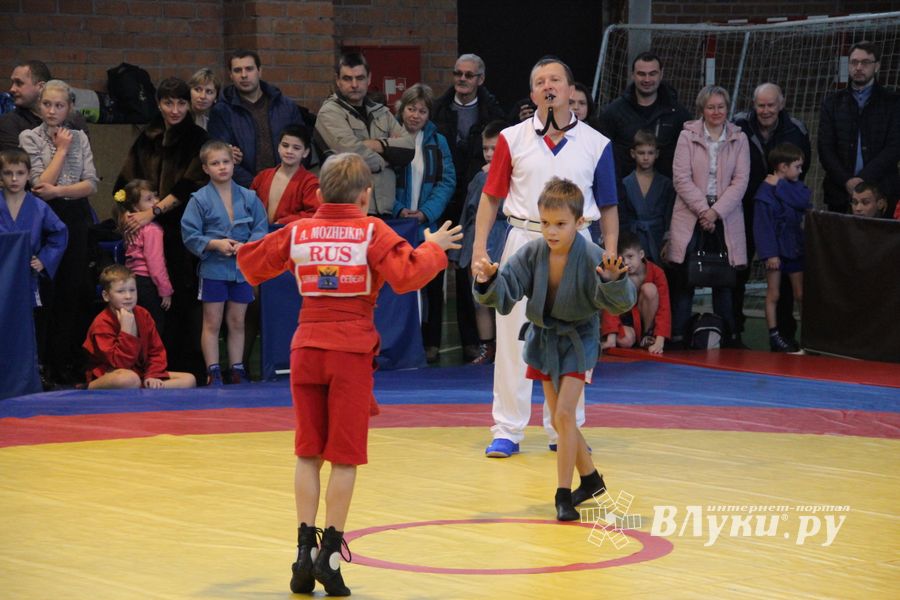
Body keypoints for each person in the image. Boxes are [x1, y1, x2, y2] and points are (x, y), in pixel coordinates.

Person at [235, 152, 462, 596]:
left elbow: (251, 265)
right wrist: (433, 245)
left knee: (307, 452)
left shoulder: (298, 231)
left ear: (318, 193)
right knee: (344, 456)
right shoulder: (371, 229)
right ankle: (330, 558)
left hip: (305, 348)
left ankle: (302, 554)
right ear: (366, 194)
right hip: (351, 351)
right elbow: (407, 275)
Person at [472, 56, 619, 458]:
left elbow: (608, 205)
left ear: (571, 90)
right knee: (511, 336)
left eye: (555, 79)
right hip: (524, 239)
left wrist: (608, 252)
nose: (548, 86)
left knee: (575, 335)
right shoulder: (511, 138)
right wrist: (480, 249)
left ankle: (564, 426)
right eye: (540, 82)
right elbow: (491, 198)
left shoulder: (596, 142)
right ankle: (507, 427)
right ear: (533, 93)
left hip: (578, 245)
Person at [473, 178, 634, 520]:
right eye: (545, 223)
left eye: (560, 224)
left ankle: (563, 494)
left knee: (563, 416)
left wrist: (612, 282)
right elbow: (508, 289)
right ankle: (591, 480)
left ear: (580, 223)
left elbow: (618, 305)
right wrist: (487, 280)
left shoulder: (592, 255)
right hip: (544, 340)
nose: (551, 231)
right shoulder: (532, 252)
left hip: (580, 340)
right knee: (563, 421)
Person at [115, 77, 209, 381]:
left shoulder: (197, 136)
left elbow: (190, 184)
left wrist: (153, 211)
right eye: (168, 102)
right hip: (145, 229)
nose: (175, 109)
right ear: (158, 104)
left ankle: (185, 366)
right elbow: (121, 185)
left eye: (181, 102)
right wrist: (129, 215)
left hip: (181, 229)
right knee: (150, 302)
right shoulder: (147, 136)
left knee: (182, 299)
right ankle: (149, 365)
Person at [19, 79, 98, 385]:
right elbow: (38, 186)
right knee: (47, 291)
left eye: (59, 105)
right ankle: (44, 363)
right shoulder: (30, 136)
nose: (52, 111)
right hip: (44, 218)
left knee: (73, 290)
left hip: (75, 216)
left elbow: (90, 183)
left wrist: (61, 190)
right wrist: (62, 150)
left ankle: (65, 361)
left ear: (70, 108)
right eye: (47, 104)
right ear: (39, 106)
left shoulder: (80, 136)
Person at [430, 54, 506, 361]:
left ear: (480, 79)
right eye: (457, 74)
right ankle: (441, 343)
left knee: (483, 281)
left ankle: (480, 343)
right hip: (448, 201)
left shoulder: (493, 112)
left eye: (469, 75)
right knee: (453, 271)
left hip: (484, 200)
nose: (462, 79)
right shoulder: (439, 110)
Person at [666, 85, 750, 347]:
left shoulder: (740, 138)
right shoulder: (686, 136)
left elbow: (741, 181)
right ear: (702, 109)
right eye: (711, 107)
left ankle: (728, 339)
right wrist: (704, 210)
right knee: (684, 277)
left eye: (721, 107)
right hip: (692, 214)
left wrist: (716, 212)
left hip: (725, 215)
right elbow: (681, 178)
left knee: (724, 280)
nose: (717, 112)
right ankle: (678, 336)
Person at [181, 140, 268, 386]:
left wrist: (247, 246)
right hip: (214, 268)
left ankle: (237, 368)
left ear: (233, 163)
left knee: (238, 320)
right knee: (212, 321)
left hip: (241, 269)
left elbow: (260, 227)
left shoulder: (249, 196)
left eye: (226, 162)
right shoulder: (199, 199)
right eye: (215, 163)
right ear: (206, 168)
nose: (222, 167)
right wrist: (214, 244)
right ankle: (213, 370)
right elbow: (190, 233)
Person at [732, 82, 811, 347]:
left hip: (785, 223)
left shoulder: (796, 130)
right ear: (753, 105)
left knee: (792, 289)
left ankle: (789, 335)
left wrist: (782, 190)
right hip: (744, 210)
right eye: (761, 105)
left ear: (782, 104)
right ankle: (735, 333)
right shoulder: (740, 124)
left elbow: (803, 175)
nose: (765, 110)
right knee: (739, 273)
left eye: (771, 105)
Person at [392, 83, 456, 363]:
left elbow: (447, 180)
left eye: (422, 110)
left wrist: (426, 212)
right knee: (398, 283)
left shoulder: (437, 141)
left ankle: (430, 344)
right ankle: (400, 342)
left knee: (431, 283)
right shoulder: (390, 137)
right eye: (411, 109)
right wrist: (398, 208)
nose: (416, 115)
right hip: (396, 222)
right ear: (401, 109)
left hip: (427, 223)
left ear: (429, 114)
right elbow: (381, 181)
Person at [314, 52, 415, 217]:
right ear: (338, 81)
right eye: (347, 79)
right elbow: (350, 155)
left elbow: (409, 148)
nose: (354, 84)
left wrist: (374, 144)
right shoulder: (329, 112)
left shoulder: (382, 112)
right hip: (347, 211)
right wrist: (386, 161)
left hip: (385, 211)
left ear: (369, 79)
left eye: (360, 78)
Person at [0, 148, 67, 387]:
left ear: (29, 175)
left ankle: (28, 376)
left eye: (20, 173)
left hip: (27, 280)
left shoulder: (38, 207)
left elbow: (60, 232)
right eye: (8, 173)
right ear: (1, 176)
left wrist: (45, 259)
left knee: (27, 330)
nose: (15, 179)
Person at [818, 40, 900, 216]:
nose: (859, 67)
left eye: (865, 62)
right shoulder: (831, 103)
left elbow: (895, 147)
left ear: (876, 66)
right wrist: (847, 181)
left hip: (883, 192)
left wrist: (862, 181)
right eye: (854, 62)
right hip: (840, 193)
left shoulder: (893, 102)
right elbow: (825, 149)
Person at [83, 265, 196, 390]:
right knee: (128, 379)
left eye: (132, 290)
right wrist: (126, 331)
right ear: (106, 296)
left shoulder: (143, 314)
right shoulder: (102, 323)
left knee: (189, 379)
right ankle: (91, 387)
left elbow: (156, 351)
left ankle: (148, 387)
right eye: (121, 291)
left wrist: (153, 375)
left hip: (140, 374)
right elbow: (120, 364)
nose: (128, 296)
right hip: (114, 374)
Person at [452, 119, 508, 365]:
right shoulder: (478, 177)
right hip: (477, 240)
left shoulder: (515, 176)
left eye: (495, 149)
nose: (489, 154)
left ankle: (507, 349)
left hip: (502, 239)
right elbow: (467, 213)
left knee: (503, 299)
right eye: (486, 149)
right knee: (479, 298)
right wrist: (459, 250)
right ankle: (487, 347)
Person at [208, 49, 304, 187]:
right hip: (243, 192)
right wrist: (257, 186)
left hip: (288, 187)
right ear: (230, 75)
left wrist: (286, 183)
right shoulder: (222, 111)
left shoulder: (285, 106)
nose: (244, 75)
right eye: (237, 70)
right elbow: (221, 159)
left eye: (249, 69)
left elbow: (302, 147)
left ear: (259, 71)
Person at [596, 51, 691, 183]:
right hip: (624, 193)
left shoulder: (677, 114)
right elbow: (602, 157)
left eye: (652, 74)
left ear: (661, 74)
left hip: (667, 194)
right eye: (641, 74)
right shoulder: (613, 113)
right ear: (633, 75)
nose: (647, 79)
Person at [753, 143, 811, 353]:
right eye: (797, 166)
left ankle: (809, 336)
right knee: (774, 294)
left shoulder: (796, 187)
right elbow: (763, 227)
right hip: (775, 253)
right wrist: (770, 254)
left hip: (795, 249)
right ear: (782, 167)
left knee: (801, 293)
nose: (800, 170)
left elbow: (803, 201)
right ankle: (774, 335)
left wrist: (779, 185)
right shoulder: (764, 192)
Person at [113, 179, 174, 333]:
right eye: (148, 199)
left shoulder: (128, 226)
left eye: (156, 196)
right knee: (153, 330)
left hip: (132, 280)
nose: (156, 202)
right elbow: (155, 263)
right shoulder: (152, 229)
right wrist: (165, 290)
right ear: (135, 206)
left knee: (136, 329)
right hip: (148, 284)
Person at [601, 231, 670, 354]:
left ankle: (648, 336)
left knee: (649, 289)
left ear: (641, 254)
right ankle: (632, 337)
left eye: (630, 256)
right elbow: (611, 305)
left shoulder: (657, 272)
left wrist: (660, 341)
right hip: (625, 319)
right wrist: (611, 338)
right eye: (621, 258)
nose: (626, 262)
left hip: (646, 319)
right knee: (626, 341)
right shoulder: (618, 273)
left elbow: (664, 308)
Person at [0, 60, 87, 151]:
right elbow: (16, 163)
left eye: (19, 83)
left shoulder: (75, 118)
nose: (12, 89)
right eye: (12, 83)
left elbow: (83, 158)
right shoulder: (8, 122)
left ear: (41, 87)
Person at [619, 129, 675, 265]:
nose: (645, 157)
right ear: (633, 154)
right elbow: (622, 216)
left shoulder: (666, 183)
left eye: (650, 153)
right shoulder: (625, 183)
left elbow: (669, 215)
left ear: (657, 154)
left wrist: (667, 241)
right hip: (633, 239)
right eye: (641, 153)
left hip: (657, 238)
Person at [251, 123, 320, 224]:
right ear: (278, 147)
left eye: (296, 148)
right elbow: (248, 205)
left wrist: (284, 222)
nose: (289, 151)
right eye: (285, 145)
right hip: (259, 233)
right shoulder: (263, 176)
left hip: (291, 236)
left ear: (306, 152)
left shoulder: (310, 182)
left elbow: (315, 213)